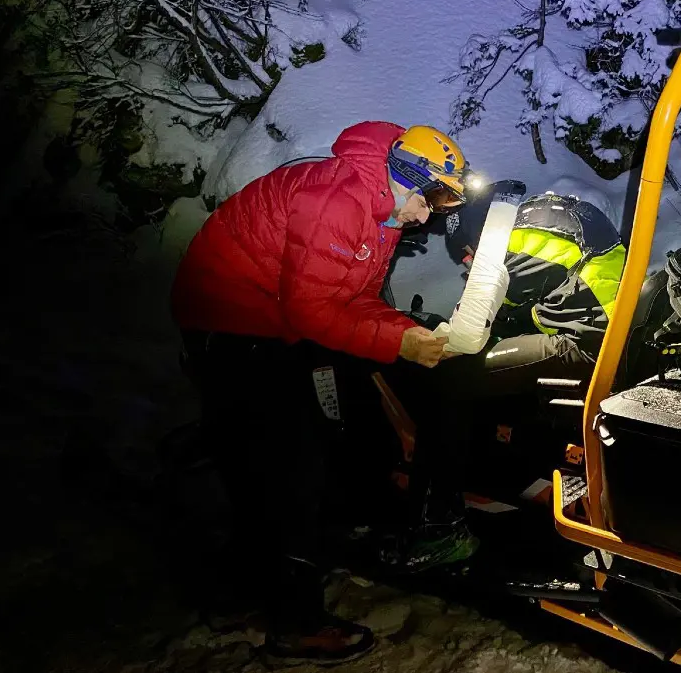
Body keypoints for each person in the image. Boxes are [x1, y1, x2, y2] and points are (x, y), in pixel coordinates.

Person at [172, 121, 471, 664]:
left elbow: (351, 298)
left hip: (266, 320)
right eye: (430, 199)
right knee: (290, 465)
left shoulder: (378, 208)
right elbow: (311, 312)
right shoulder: (339, 200)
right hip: (234, 321)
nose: (429, 216)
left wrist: (405, 331)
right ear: (405, 177)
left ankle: (235, 596)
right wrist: (400, 347)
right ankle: (293, 625)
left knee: (273, 458)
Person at [383, 183, 625, 566]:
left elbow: (465, 335)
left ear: (481, 234)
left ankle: (441, 527)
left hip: (583, 348)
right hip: (610, 333)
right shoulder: (546, 219)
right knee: (497, 346)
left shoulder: (506, 249)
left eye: (466, 252)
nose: (466, 262)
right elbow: (550, 291)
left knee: (450, 379)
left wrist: (426, 344)